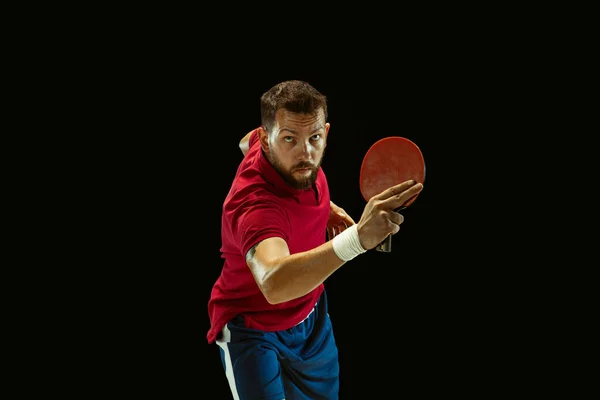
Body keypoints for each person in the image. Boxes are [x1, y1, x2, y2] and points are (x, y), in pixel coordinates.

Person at [207, 80, 423, 399]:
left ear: (326, 132)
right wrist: (357, 239)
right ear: (267, 141)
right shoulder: (255, 205)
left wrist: (326, 209)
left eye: (315, 138)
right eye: (290, 139)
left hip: (310, 321)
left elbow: (245, 141)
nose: (305, 152)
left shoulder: (276, 151)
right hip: (254, 332)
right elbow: (273, 282)